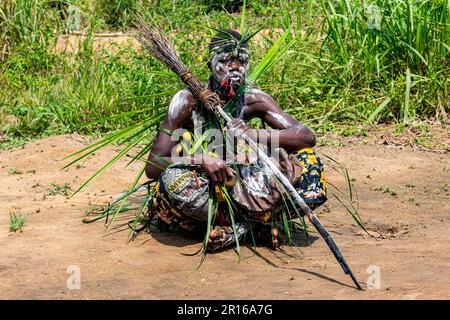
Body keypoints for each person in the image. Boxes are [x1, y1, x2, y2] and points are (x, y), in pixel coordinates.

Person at [144, 29, 327, 251]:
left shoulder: (252, 98)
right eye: (225, 59)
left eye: (241, 60)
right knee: (172, 182)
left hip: (247, 183)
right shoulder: (187, 100)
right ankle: (256, 226)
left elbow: (306, 136)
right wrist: (200, 159)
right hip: (208, 187)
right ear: (210, 63)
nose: (234, 66)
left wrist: (254, 135)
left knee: (309, 165)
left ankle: (242, 228)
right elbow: (154, 165)